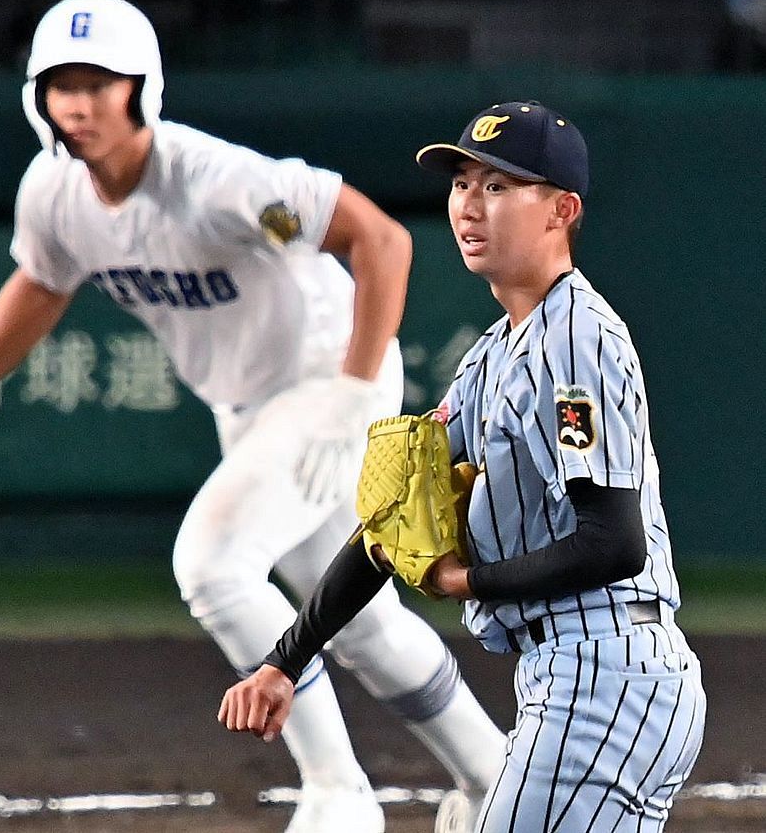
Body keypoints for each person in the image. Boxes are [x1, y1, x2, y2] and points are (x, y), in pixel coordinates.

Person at [0, 0, 506, 833]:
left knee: (213, 566)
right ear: (36, 97)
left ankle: (338, 791)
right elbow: (41, 281)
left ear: (142, 90)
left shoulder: (217, 182)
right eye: (63, 84)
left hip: (327, 382)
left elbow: (381, 239)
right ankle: (497, 773)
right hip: (248, 407)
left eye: (102, 83)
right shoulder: (53, 194)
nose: (81, 103)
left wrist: (354, 395)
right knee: (351, 613)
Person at [218, 101, 707, 832]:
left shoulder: (575, 340)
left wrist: (463, 581)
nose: (469, 206)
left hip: (607, 678)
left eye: (500, 187)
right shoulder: (494, 355)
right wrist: (285, 661)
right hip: (577, 678)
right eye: (461, 184)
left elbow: (614, 542)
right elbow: (393, 527)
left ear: (561, 210)